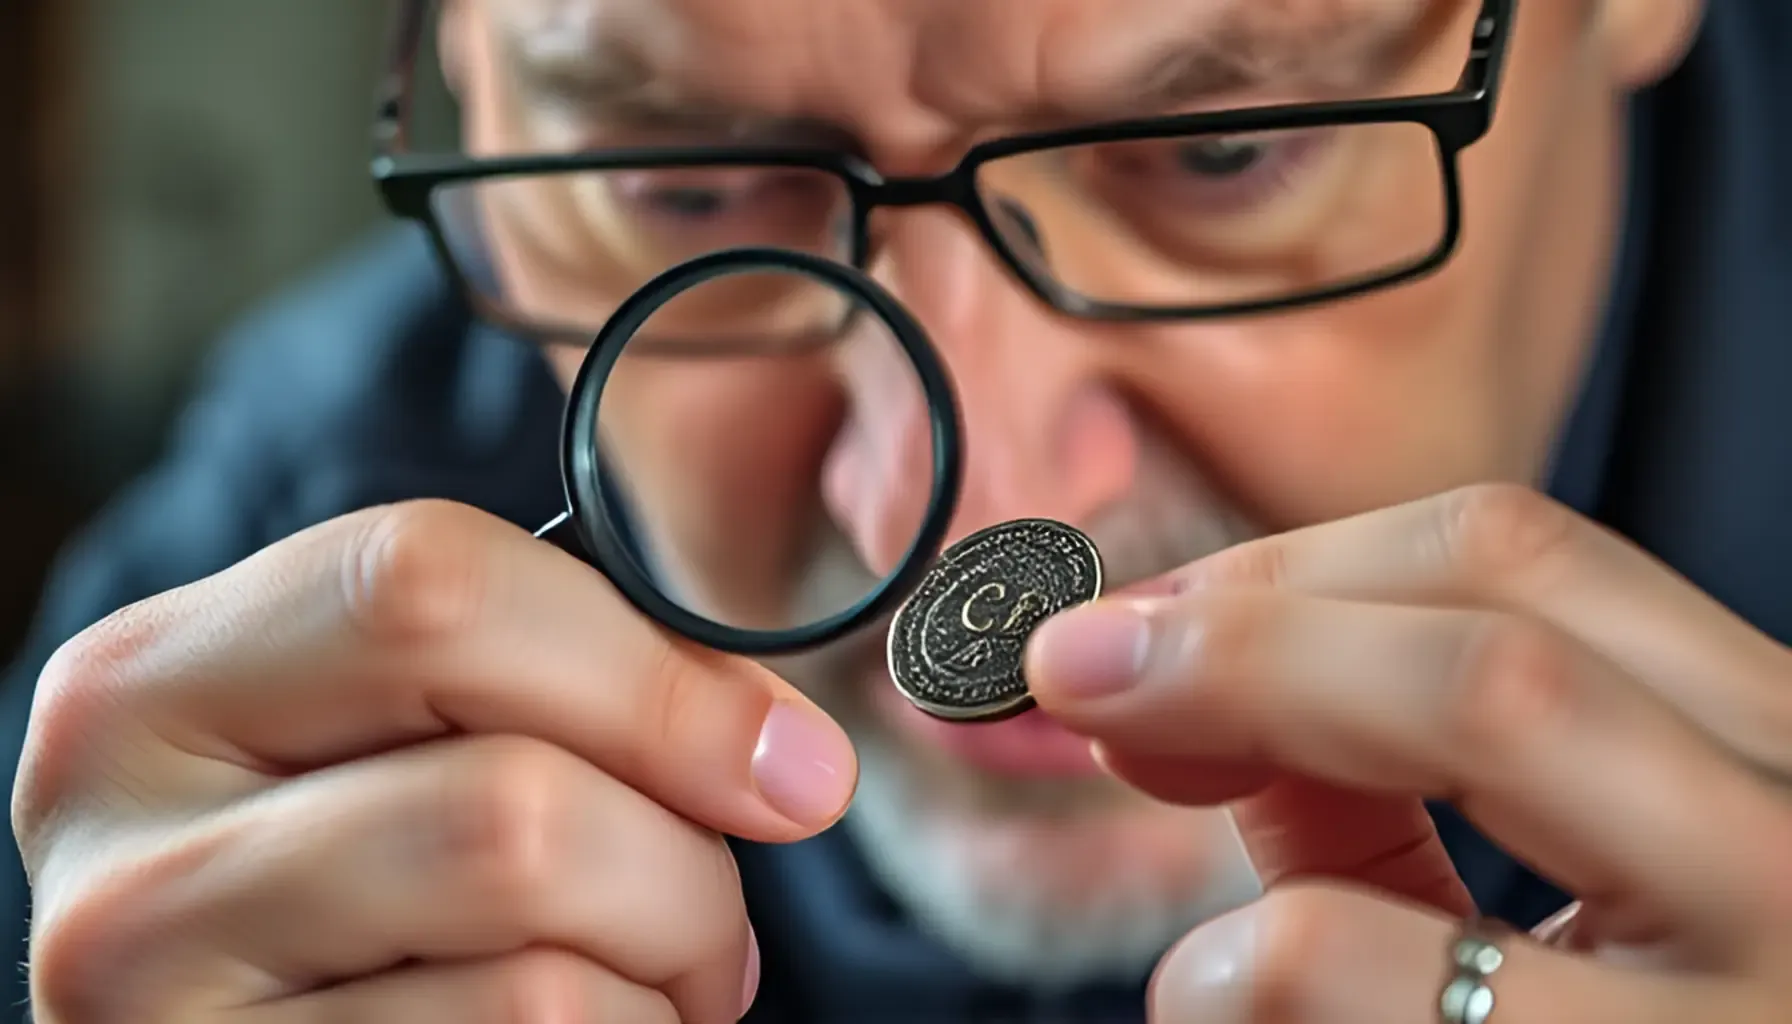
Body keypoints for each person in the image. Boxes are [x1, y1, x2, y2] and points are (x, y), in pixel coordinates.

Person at [6, 0, 1791, 1019]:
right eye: (685, 179)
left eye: (1220, 153)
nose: (951, 527)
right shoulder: (240, 660)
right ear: (459, 56)